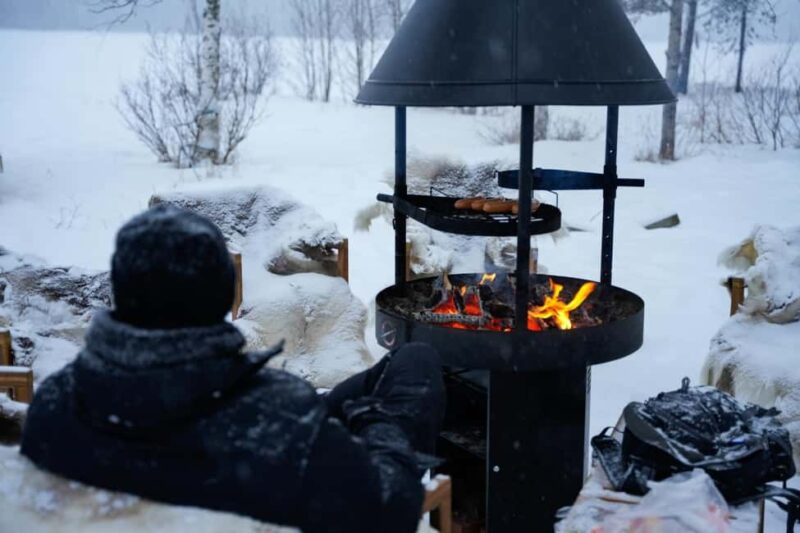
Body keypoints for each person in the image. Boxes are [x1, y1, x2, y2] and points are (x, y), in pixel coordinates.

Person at [20, 205, 445, 533]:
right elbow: (388, 507)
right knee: (417, 362)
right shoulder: (278, 419)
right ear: (223, 295)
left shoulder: (58, 403)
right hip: (263, 446)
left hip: (229, 433)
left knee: (404, 362)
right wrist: (373, 421)